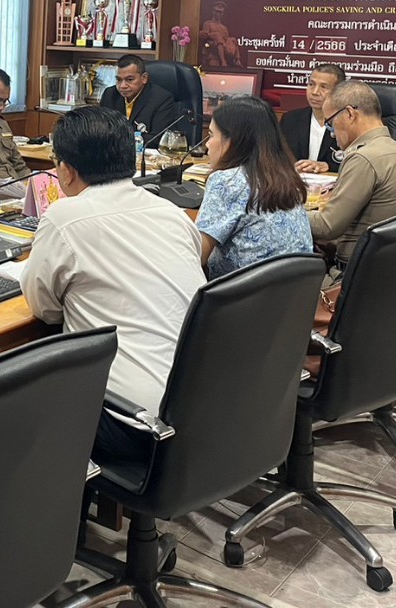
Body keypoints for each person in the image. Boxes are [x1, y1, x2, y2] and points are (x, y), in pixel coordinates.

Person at [20, 106, 206, 464]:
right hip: (205, 411)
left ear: (66, 170)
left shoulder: (64, 218)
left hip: (136, 424)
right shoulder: (172, 213)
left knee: (15, 398)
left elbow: (44, 309)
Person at [310, 79, 396, 276]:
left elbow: (327, 226)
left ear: (349, 114)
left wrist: (285, 214)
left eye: (330, 124)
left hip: (353, 277)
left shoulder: (362, 158)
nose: (332, 135)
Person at [195, 97, 314, 278]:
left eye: (211, 135)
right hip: (295, 290)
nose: (206, 145)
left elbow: (196, 256)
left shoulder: (227, 181)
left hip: (243, 292)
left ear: (232, 140)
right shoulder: (286, 176)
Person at [279, 63, 347, 172]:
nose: (315, 92)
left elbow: (358, 163)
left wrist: (329, 166)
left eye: (323, 87)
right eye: (311, 84)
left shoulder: (348, 123)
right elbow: (277, 157)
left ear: (339, 91)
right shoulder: (290, 119)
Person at [97, 55, 177, 139]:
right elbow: (100, 131)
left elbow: (157, 138)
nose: (122, 86)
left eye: (130, 79)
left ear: (144, 78)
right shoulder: (110, 94)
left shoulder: (161, 99)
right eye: (119, 80)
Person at [199, 1, 242, 68]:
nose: (218, 14)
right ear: (213, 12)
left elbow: (226, 40)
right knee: (214, 66)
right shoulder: (207, 24)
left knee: (233, 40)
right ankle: (223, 61)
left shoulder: (224, 28)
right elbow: (204, 36)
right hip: (212, 50)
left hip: (224, 49)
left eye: (220, 12)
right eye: (217, 11)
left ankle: (237, 60)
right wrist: (213, 35)